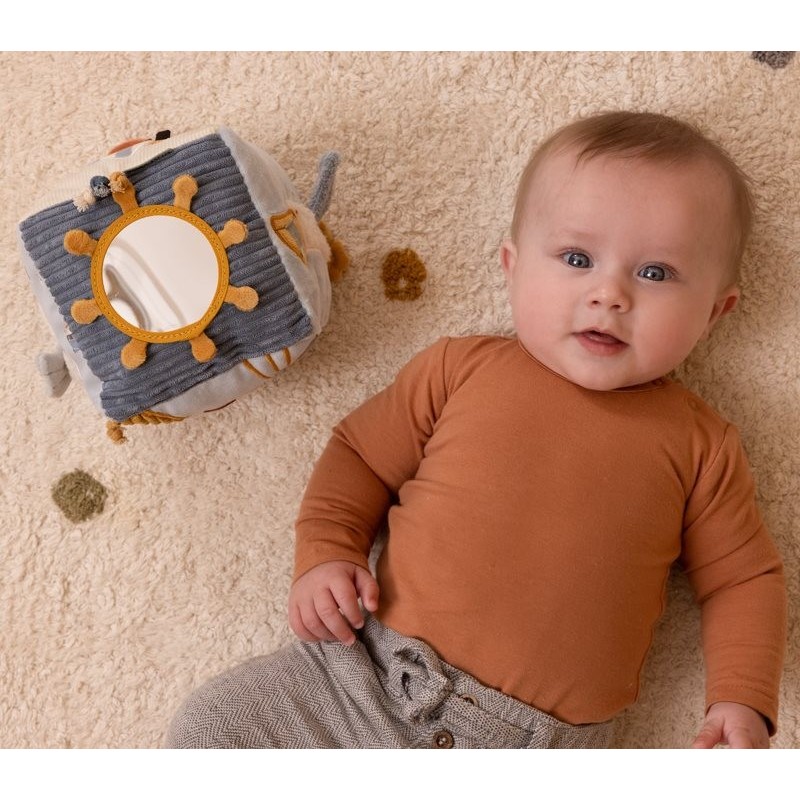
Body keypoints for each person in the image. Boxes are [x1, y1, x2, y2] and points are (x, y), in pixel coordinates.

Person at [165, 110, 786, 749]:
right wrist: (327, 554)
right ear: (513, 266)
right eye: (577, 258)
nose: (610, 294)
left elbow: (741, 579)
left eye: (655, 273)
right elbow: (360, 456)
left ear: (715, 312)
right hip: (362, 680)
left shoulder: (702, 446)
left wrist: (740, 699)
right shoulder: (461, 369)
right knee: (213, 726)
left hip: (534, 745)